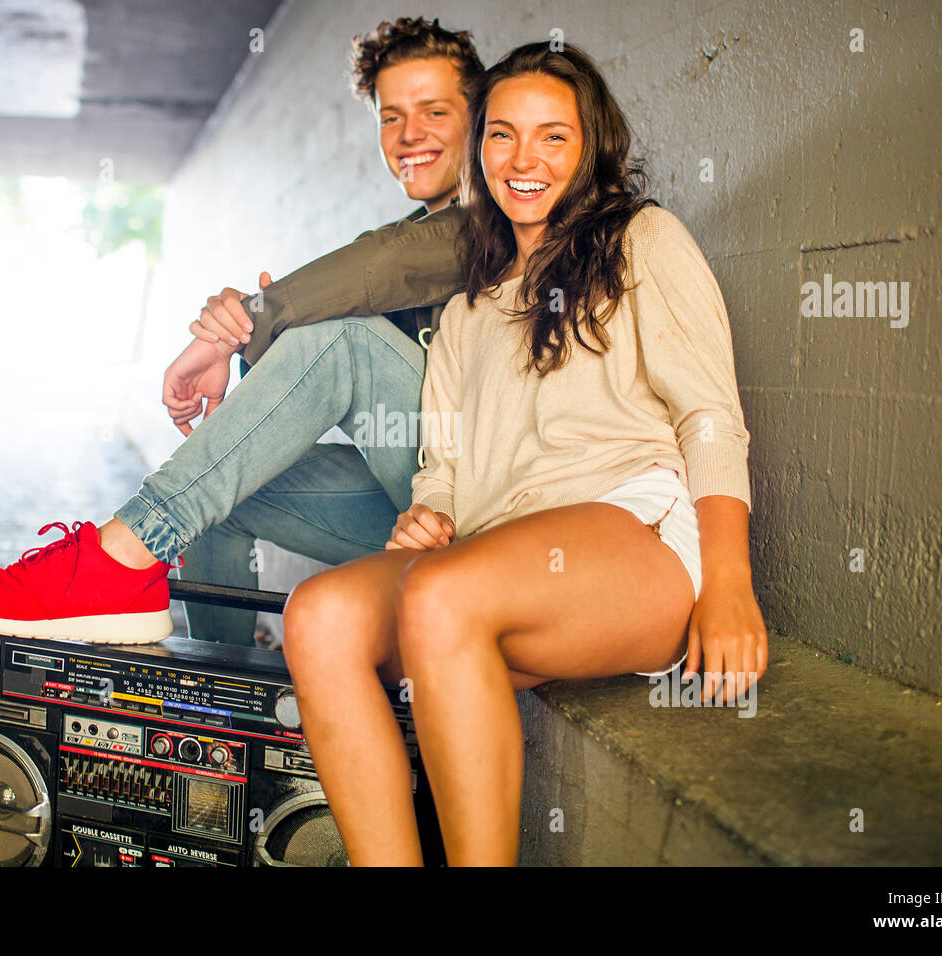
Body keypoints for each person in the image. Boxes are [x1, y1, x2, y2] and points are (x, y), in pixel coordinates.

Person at [278, 42, 769, 866]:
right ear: (479, 153)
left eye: (553, 136)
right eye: (502, 135)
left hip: (633, 536)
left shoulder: (643, 240)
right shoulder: (471, 306)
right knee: (319, 616)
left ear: (591, 148)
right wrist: (430, 513)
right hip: (495, 558)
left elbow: (712, 417)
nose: (524, 159)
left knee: (440, 594)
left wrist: (729, 585)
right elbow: (447, 463)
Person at [0, 18, 481, 645]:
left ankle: (115, 560)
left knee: (341, 334)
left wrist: (249, 319)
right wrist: (248, 327)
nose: (409, 135)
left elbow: (384, 270)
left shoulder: (499, 221)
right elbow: (354, 309)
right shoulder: (403, 239)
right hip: (417, 503)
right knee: (220, 487)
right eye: (390, 116)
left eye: (434, 111)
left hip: (489, 506)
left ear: (479, 117)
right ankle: (215, 690)